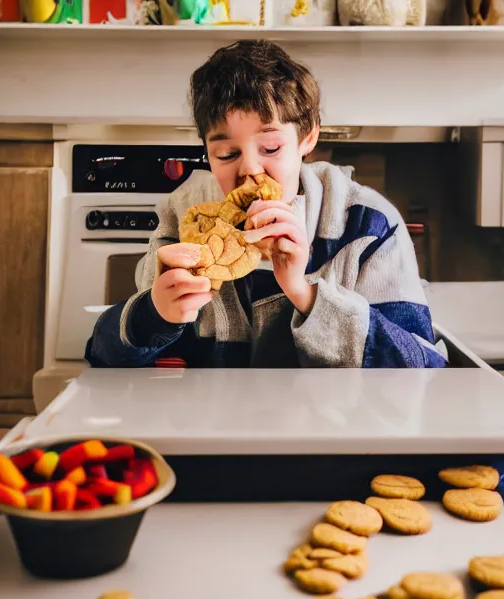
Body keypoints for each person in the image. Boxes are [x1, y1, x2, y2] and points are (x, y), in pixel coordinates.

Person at [85, 39, 446, 369]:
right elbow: (103, 356)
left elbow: (423, 369)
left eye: (271, 148)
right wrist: (156, 314)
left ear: (308, 137)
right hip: (211, 427)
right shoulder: (182, 219)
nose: (250, 170)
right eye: (226, 154)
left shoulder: (366, 223)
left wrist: (306, 294)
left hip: (334, 434)